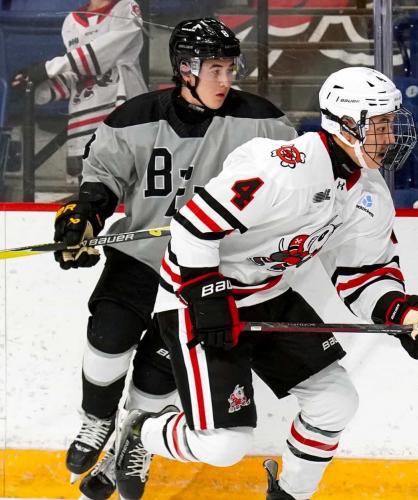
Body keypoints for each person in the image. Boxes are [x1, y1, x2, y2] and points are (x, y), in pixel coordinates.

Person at [115, 66, 418, 500]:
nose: (390, 138)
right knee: (223, 445)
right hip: (196, 296)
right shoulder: (280, 169)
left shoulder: (369, 194)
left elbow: (363, 273)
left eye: (391, 125)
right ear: (346, 124)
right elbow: (192, 228)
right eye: (381, 125)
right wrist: (206, 298)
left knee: (335, 402)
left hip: (269, 294)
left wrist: (402, 313)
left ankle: (289, 494)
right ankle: (142, 430)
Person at [52, 17, 298, 500]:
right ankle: (97, 419)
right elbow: (103, 176)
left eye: (231, 69)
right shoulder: (134, 117)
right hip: (142, 259)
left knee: (158, 371)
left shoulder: (265, 122)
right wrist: (85, 216)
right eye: (215, 69)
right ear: (186, 70)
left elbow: (291, 185)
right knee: (108, 337)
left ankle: (131, 440)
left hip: (206, 273)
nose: (226, 80)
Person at [11, 0, 147, 185]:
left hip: (122, 117)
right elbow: (77, 72)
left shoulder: (127, 7)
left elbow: (99, 57)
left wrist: (47, 69)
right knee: (92, 195)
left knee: (126, 192)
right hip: (82, 127)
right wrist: (37, 89)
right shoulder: (71, 21)